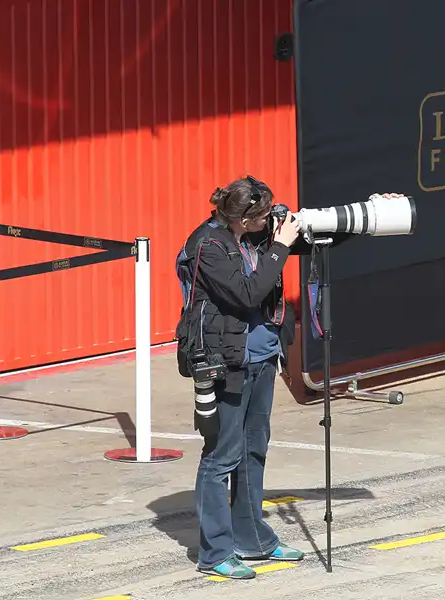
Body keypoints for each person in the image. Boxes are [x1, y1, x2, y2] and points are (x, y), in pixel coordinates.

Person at [174, 175, 305, 580]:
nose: (272, 221)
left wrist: (377, 210)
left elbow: (318, 240)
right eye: (265, 216)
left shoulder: (259, 234)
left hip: (263, 360)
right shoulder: (208, 246)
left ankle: (253, 540)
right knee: (221, 457)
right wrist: (281, 246)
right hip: (226, 365)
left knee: (253, 451)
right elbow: (247, 293)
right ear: (243, 219)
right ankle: (215, 553)